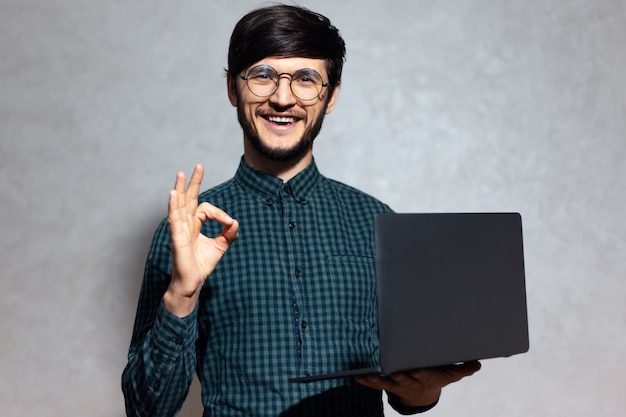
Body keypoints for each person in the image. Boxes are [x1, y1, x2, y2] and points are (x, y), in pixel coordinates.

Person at [121, 4, 480, 416]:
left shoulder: (379, 222)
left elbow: (406, 389)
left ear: (330, 96)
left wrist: (423, 392)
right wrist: (181, 294)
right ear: (232, 88)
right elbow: (146, 408)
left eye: (306, 79)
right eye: (262, 75)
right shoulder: (189, 231)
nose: (283, 97)